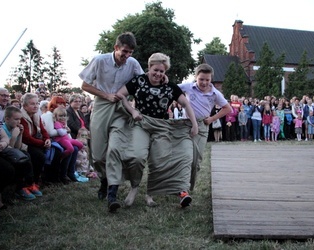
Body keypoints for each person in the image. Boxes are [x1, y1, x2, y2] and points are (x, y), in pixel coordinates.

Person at [117, 52, 199, 208]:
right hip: (142, 123)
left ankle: (150, 193)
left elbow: (186, 104)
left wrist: (194, 124)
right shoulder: (138, 81)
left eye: (162, 71)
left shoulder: (170, 86)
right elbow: (120, 95)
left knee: (158, 161)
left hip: (161, 126)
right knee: (136, 156)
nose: (158, 74)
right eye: (156, 70)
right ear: (149, 67)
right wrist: (133, 111)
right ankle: (134, 187)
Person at [79, 32, 145, 207]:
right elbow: (85, 85)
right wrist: (106, 95)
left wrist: (163, 78)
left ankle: (112, 192)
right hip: (102, 104)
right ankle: (104, 179)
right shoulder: (100, 60)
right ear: (116, 48)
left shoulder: (133, 63)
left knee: (114, 150)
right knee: (99, 154)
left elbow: (143, 82)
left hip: (121, 108)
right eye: (124, 51)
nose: (127, 56)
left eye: (130, 52)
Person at [178, 63, 231, 190]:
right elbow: (172, 88)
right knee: (184, 157)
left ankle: (189, 187)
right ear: (196, 77)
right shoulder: (188, 87)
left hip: (202, 126)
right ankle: (180, 186)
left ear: (211, 79)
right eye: (201, 79)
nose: (204, 82)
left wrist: (212, 119)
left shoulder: (215, 93)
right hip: (186, 124)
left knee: (195, 161)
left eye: (207, 80)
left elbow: (227, 108)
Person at [3, 106, 42, 200]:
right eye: (16, 119)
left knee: (26, 155)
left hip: (13, 151)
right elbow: (10, 148)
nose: (19, 122)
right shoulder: (3, 128)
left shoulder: (15, 128)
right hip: (4, 153)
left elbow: (18, 147)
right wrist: (13, 136)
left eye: (20, 119)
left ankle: (29, 184)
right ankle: (22, 187)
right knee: (22, 160)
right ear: (7, 119)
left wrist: (20, 134)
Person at [41, 96, 79, 183]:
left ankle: (69, 173)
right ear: (53, 104)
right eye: (59, 103)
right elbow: (51, 132)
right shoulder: (49, 115)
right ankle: (62, 175)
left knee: (75, 148)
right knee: (68, 149)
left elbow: (66, 130)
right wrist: (65, 131)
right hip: (53, 140)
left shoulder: (61, 114)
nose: (61, 105)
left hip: (61, 138)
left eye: (63, 103)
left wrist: (67, 131)